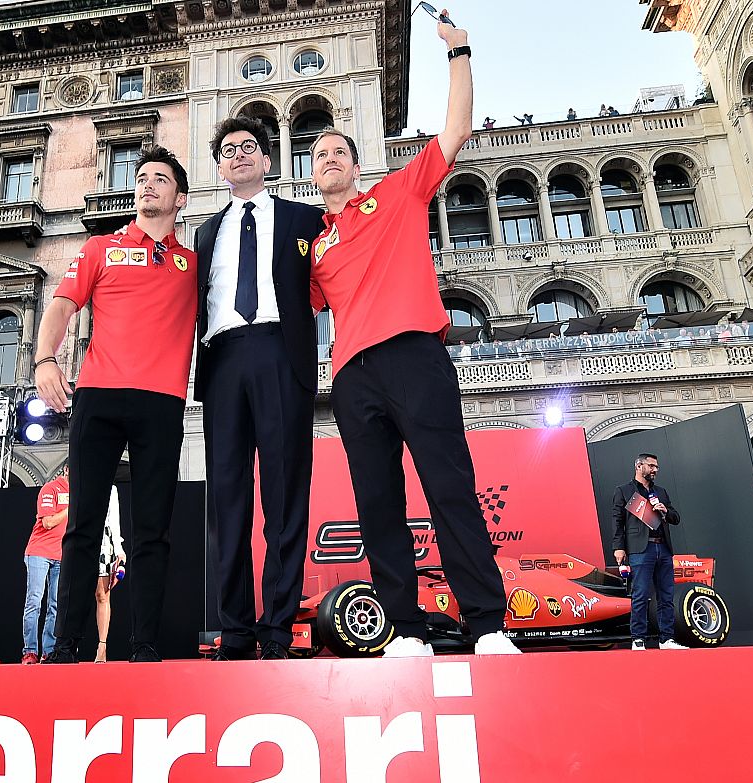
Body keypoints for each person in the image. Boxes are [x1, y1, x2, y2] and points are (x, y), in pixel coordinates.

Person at [307, 10, 519, 658]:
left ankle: (487, 625)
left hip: (414, 357)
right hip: (352, 378)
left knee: (448, 488)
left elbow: (456, 129)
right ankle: (405, 629)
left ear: (355, 166)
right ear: (312, 173)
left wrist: (459, 51)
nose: (329, 160)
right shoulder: (314, 245)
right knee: (377, 505)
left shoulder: (398, 194)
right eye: (319, 156)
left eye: (338, 152)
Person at [33, 145, 197, 664]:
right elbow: (61, 306)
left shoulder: (193, 264)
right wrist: (44, 360)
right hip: (98, 397)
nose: (147, 183)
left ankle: (144, 647)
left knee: (152, 532)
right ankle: (65, 647)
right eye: (142, 176)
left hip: (162, 403)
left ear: (180, 198)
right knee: (82, 524)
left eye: (160, 179)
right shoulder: (100, 247)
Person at [195, 115, 325, 662]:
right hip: (222, 360)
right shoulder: (205, 233)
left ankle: (276, 630)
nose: (240, 155)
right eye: (228, 150)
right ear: (220, 168)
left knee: (285, 498)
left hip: (281, 354)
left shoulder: (305, 218)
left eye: (249, 147)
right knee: (227, 501)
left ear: (268, 160)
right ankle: (234, 632)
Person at [610, 454, 684, 651]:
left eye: (657, 467)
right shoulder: (624, 491)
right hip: (641, 549)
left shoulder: (661, 492)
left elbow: (676, 518)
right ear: (639, 466)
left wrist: (666, 511)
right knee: (640, 594)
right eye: (651, 466)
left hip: (663, 548)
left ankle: (666, 639)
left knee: (666, 596)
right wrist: (618, 547)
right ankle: (638, 639)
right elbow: (617, 521)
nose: (655, 470)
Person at [21, 463, 69, 664]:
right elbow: (48, 522)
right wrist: (71, 507)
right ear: (66, 470)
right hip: (39, 552)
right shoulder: (51, 488)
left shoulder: (80, 492)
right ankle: (30, 651)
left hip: (62, 554)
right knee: (34, 601)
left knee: (55, 604)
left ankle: (48, 652)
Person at [93, 483, 125, 662]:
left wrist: (119, 549)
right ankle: (68, 645)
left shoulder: (111, 489)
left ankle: (102, 646)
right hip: (81, 540)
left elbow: (114, 520)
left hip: (104, 542)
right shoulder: (78, 485)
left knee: (102, 595)